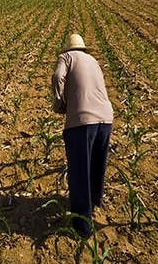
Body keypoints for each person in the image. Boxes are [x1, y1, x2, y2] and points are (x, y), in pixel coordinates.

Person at [51, 33, 113, 238]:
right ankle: (94, 204)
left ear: (68, 49)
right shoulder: (93, 61)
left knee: (79, 171)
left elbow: (58, 76)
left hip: (81, 122)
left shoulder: (66, 58)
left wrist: (59, 101)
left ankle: (82, 226)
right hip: (106, 118)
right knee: (97, 165)